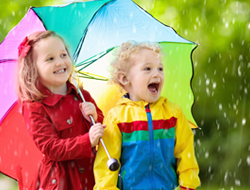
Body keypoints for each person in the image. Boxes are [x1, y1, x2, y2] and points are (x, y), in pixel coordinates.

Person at [94, 41, 200, 190]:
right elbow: (106, 164)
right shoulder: (116, 118)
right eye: (147, 68)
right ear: (125, 78)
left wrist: (187, 185)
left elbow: (185, 153)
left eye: (160, 68)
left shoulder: (173, 113)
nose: (157, 74)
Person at [17, 30, 105, 190]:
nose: (60, 62)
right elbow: (52, 148)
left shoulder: (82, 95)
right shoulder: (34, 107)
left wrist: (95, 116)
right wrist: (87, 141)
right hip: (61, 181)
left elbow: (104, 129)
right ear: (33, 69)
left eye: (63, 55)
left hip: (91, 176)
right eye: (50, 59)